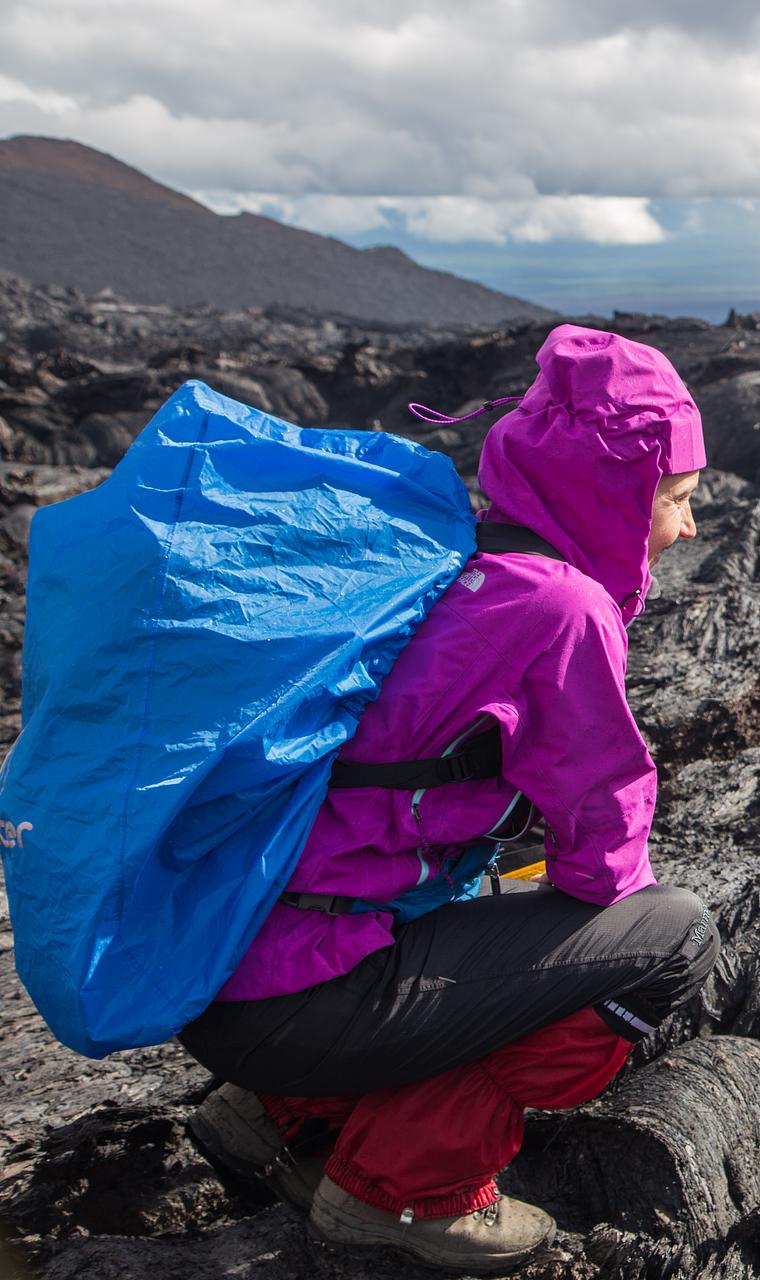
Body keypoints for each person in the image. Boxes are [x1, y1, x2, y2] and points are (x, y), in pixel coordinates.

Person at [175, 324, 720, 1274]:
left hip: (222, 973)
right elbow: (605, 848)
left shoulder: (453, 556)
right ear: (615, 492)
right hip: (307, 1001)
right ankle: (403, 1193)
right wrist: (581, 905)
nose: (686, 527)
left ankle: (273, 1119)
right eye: (675, 499)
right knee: (669, 939)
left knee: (483, 886)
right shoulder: (560, 609)